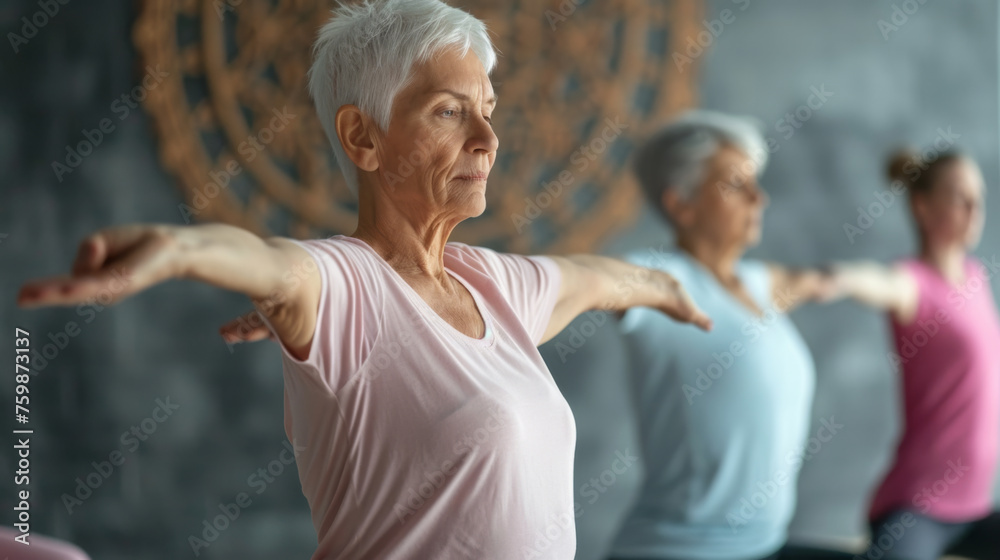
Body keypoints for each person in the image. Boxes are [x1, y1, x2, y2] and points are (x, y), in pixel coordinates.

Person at [16, 1, 711, 558]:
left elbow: (597, 279)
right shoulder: (345, 283)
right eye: (449, 111)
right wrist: (175, 247)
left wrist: (666, 289)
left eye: (488, 111)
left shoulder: (494, 286)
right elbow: (266, 261)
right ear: (363, 138)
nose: (487, 140)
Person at [607, 111, 853, 560]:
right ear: (682, 204)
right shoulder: (660, 277)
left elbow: (812, 280)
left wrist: (894, 282)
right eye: (736, 185)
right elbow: (585, 278)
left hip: (764, 546)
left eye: (755, 183)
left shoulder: (759, 283)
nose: (759, 198)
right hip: (678, 551)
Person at [832, 149, 1000, 560]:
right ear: (922, 207)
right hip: (917, 508)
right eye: (960, 197)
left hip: (974, 508)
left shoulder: (976, 278)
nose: (975, 209)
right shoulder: (912, 282)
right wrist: (834, 278)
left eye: (978, 197)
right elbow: (880, 283)